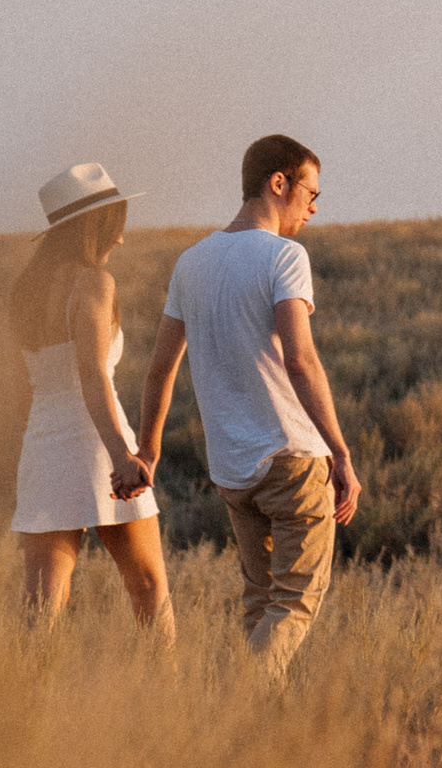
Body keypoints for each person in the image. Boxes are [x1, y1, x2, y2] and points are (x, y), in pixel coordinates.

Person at [136, 134, 361, 680]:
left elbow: (160, 370)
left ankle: (247, 738)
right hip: (292, 457)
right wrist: (341, 453)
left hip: (233, 471)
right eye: (310, 191)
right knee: (294, 601)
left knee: (261, 603)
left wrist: (148, 451)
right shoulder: (285, 256)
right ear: (277, 183)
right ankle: (235, 698)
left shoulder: (191, 263)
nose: (314, 206)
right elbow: (301, 360)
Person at [8, 162, 175, 646]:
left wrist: (38, 448)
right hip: (96, 441)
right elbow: (93, 375)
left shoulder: (25, 291)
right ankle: (170, 697)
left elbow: (26, 387)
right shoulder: (94, 284)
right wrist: (122, 455)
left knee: (41, 605)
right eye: (114, 225)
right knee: (149, 588)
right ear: (93, 226)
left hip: (42, 443)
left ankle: (25, 701)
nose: (120, 239)